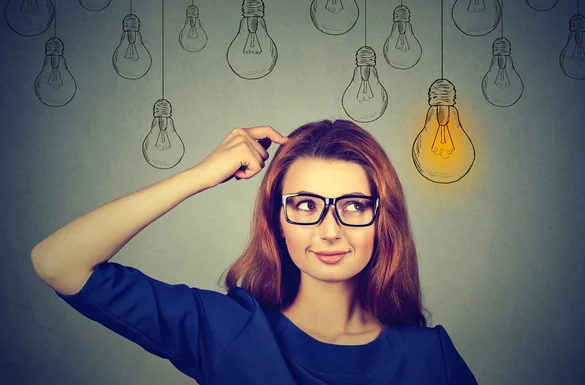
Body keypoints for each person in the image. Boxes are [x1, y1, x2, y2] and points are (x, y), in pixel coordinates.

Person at [30, 119, 479, 384]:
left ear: (382, 221)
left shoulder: (430, 359)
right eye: (305, 204)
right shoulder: (226, 330)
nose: (329, 230)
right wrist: (201, 175)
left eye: (353, 206)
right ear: (278, 220)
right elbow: (58, 262)